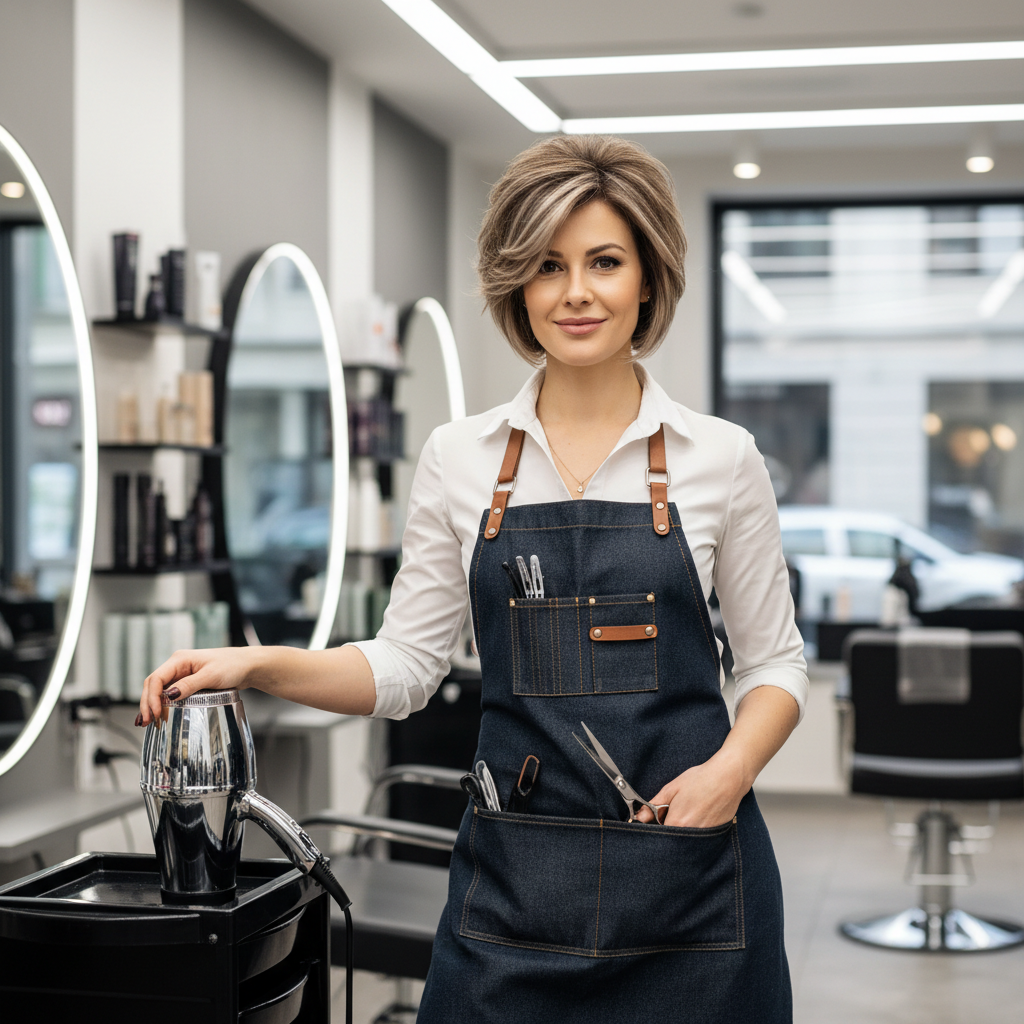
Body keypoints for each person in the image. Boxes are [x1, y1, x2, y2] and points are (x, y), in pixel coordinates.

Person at [139, 135, 807, 1023]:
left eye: (604, 262)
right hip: (512, 900)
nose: (576, 292)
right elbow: (405, 667)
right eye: (546, 266)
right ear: (515, 287)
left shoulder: (719, 458)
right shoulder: (461, 459)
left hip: (690, 890)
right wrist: (257, 666)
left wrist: (730, 770)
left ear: (647, 279)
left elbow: (775, 665)